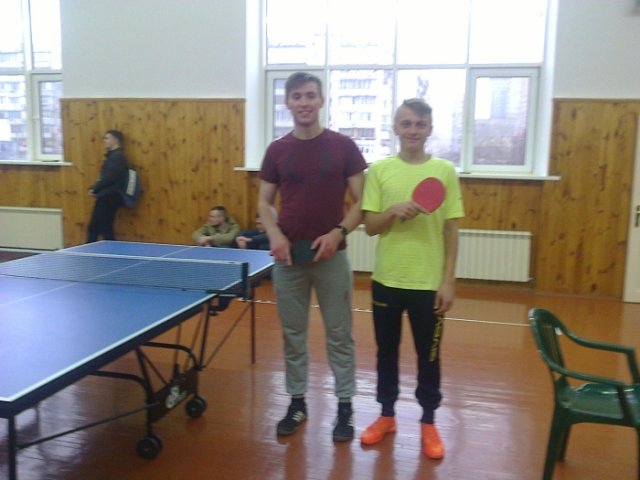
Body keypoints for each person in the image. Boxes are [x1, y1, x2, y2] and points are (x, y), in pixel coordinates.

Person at [257, 72, 367, 442]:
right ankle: (297, 402)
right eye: (296, 96)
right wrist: (274, 235)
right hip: (289, 261)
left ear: (321, 100)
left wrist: (338, 234)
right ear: (287, 102)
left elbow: (362, 202)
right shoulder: (277, 150)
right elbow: (264, 202)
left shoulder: (343, 147)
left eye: (310, 95)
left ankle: (345, 406)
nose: (303, 102)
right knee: (293, 335)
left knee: (339, 334)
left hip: (331, 260)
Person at [359, 98, 464, 459]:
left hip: (428, 286)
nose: (413, 130)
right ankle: (386, 415)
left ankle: (428, 421)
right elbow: (370, 227)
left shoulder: (445, 171)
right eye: (406, 123)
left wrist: (448, 281)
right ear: (396, 127)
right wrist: (392, 211)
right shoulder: (380, 170)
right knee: (386, 352)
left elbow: (451, 230)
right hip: (387, 281)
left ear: (429, 129)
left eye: (420, 124)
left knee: (428, 356)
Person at [87, 129, 129, 243]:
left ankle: (108, 251)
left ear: (115, 140)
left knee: (101, 228)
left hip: (109, 197)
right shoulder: (113, 156)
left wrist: (95, 188)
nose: (104, 141)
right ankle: (90, 250)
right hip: (107, 195)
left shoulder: (117, 157)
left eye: (107, 138)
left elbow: (109, 177)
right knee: (97, 228)